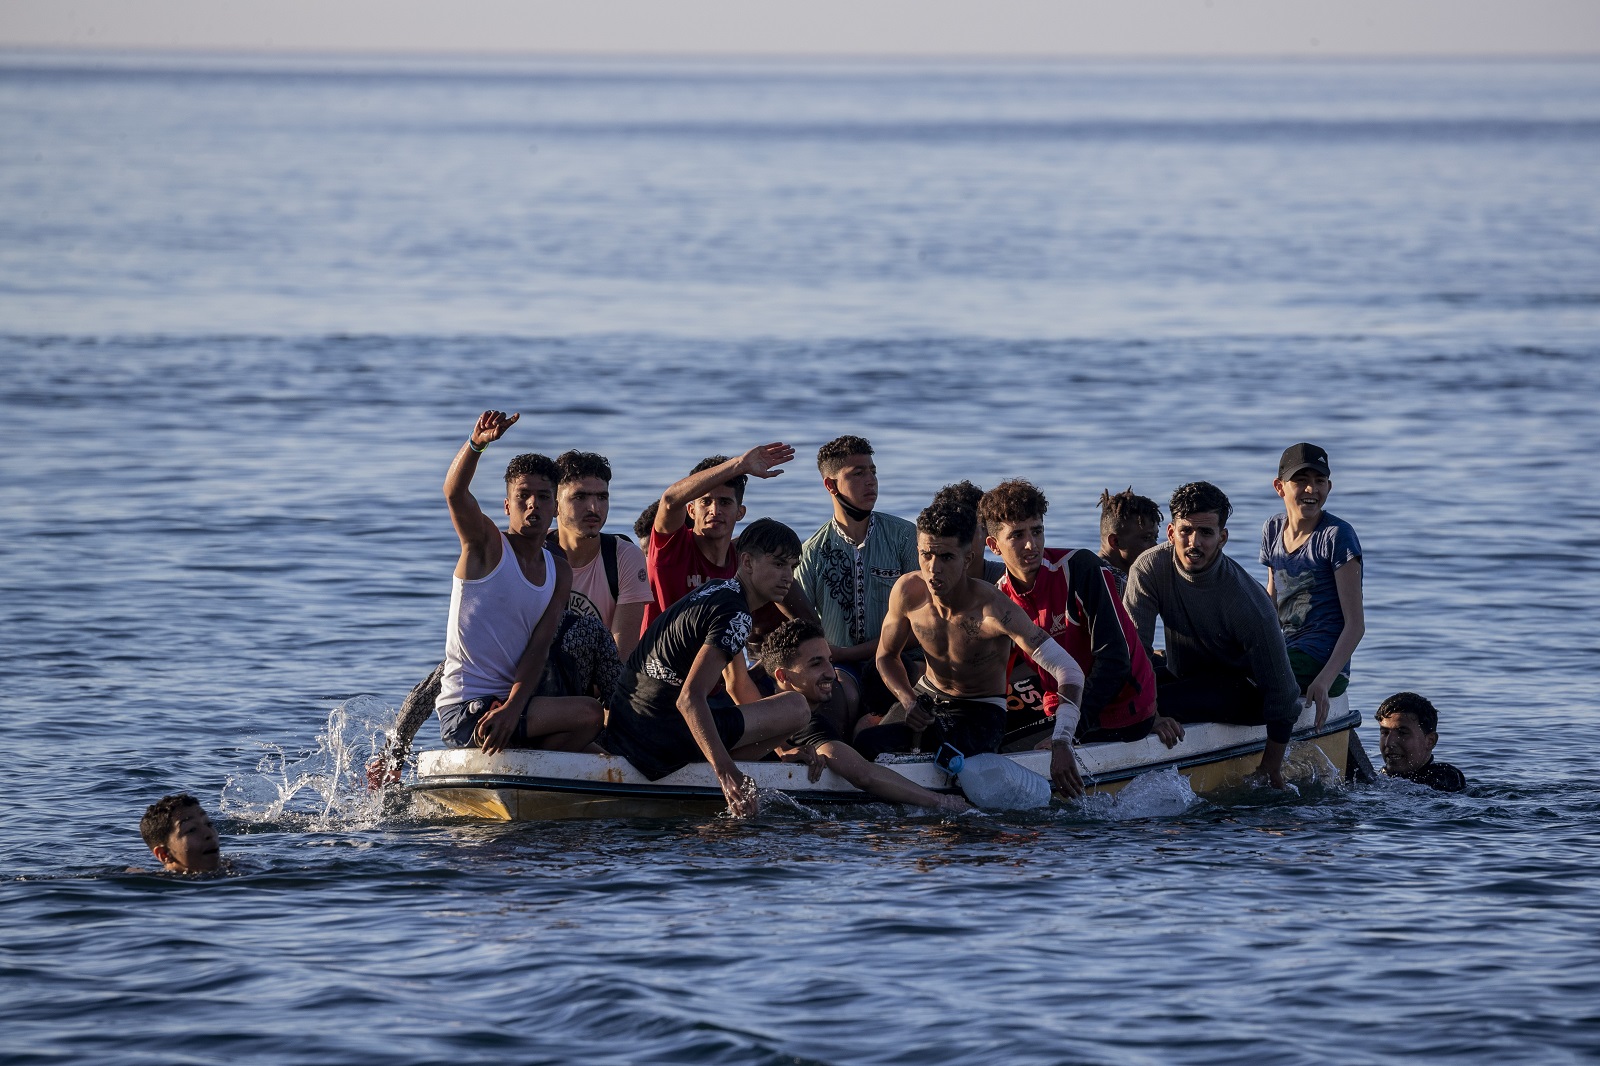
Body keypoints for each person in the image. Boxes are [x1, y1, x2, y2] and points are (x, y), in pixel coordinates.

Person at [856, 501, 1089, 797]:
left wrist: (1062, 740)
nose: (933, 568)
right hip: (927, 697)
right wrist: (909, 700)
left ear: (967, 559)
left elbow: (1068, 670)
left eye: (946, 557)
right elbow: (886, 656)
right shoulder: (907, 592)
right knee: (866, 744)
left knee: (915, 757)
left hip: (979, 712)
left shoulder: (994, 610)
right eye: (925, 555)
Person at [600, 519, 813, 817]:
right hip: (658, 738)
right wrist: (726, 773)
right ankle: (720, 767)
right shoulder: (736, 615)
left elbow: (736, 684)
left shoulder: (717, 590)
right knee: (797, 707)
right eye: (778, 564)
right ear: (748, 562)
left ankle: (716, 760)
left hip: (626, 725)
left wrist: (780, 749)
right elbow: (689, 699)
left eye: (792, 566)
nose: (788, 577)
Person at [433, 411, 603, 756]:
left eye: (543, 497)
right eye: (523, 495)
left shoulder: (558, 570)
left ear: (555, 508)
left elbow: (538, 650)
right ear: (507, 504)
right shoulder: (486, 546)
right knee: (588, 714)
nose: (532, 504)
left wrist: (512, 707)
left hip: (513, 705)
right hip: (465, 712)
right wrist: (476, 445)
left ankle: (525, 762)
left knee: (591, 719)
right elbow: (454, 492)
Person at [978, 479, 1181, 753]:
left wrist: (1066, 734)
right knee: (987, 745)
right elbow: (995, 678)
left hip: (1123, 710)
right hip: (1061, 709)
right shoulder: (998, 598)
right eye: (1017, 535)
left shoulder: (1079, 569)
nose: (1031, 545)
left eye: (1037, 531)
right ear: (994, 545)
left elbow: (1114, 661)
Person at [1123, 481, 1301, 788]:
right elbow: (1132, 655)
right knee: (1107, 693)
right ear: (1170, 532)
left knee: (1146, 705)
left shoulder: (1247, 602)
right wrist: (1150, 716)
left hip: (1244, 692)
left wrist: (1270, 766)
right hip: (1188, 676)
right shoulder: (1149, 568)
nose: (1195, 542)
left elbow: (1284, 695)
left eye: (1206, 533)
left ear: (1222, 538)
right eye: (1186, 531)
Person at [759, 619, 968, 812]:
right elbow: (862, 775)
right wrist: (941, 801)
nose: (831, 672)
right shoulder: (803, 718)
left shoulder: (769, 703)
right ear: (783, 676)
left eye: (829, 660)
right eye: (816, 663)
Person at [794, 435, 921, 713]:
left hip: (903, 658)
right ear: (830, 485)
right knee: (841, 698)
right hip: (840, 666)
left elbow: (922, 625)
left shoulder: (904, 536)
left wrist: (848, 652)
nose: (871, 481)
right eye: (858, 473)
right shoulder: (811, 552)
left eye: (873, 472)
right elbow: (801, 627)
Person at [1261, 443, 1365, 727]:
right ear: (1280, 487)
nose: (1311, 490)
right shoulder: (1272, 529)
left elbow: (1355, 624)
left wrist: (1324, 680)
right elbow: (1272, 600)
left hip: (1322, 662)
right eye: (1301, 481)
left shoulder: (1337, 536)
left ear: (1329, 487)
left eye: (1319, 481)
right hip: (1287, 651)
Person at [645, 443, 799, 629]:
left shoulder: (743, 560)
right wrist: (740, 465)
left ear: (740, 513)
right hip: (659, 657)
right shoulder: (672, 547)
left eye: (725, 502)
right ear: (691, 511)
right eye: (706, 502)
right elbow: (670, 500)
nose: (715, 510)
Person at [549, 450, 653, 660]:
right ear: (554, 504)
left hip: (601, 681)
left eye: (602, 497)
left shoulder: (624, 556)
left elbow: (621, 656)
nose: (594, 508)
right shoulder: (533, 554)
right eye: (580, 497)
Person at [1374, 691, 1467, 792]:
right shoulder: (1379, 777)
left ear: (1430, 741)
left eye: (1402, 733)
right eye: (1385, 733)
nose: (1389, 743)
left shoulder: (1445, 778)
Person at [930, 480, 1008, 583]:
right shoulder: (920, 585)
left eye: (965, 531)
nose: (956, 540)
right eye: (948, 531)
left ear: (987, 534)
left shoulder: (1009, 581)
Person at [1098, 488, 1162, 596]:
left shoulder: (1086, 571)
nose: (1155, 547)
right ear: (1115, 541)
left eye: (1155, 538)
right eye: (1146, 538)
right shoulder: (1117, 584)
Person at [139, 794, 222, 874]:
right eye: (192, 830)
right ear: (164, 854)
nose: (209, 834)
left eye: (209, 824)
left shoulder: (231, 868)